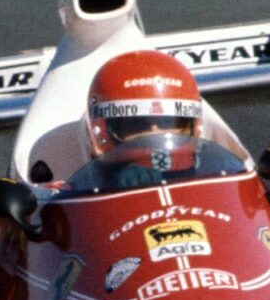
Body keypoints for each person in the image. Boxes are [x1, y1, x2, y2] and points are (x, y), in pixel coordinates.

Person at [64, 50, 245, 193]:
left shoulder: (225, 176)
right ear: (101, 129)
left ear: (194, 125)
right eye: (137, 124)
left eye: (169, 123)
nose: (155, 133)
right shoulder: (71, 195)